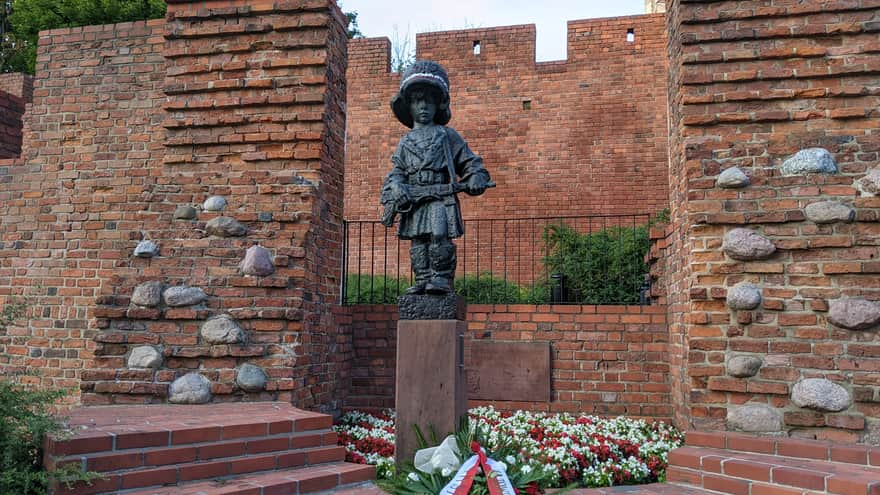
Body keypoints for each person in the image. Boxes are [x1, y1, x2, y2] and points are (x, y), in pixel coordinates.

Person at [381, 61, 491, 295]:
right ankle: (422, 278)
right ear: (409, 106)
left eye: (429, 101)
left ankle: (441, 278)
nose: (423, 106)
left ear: (438, 105)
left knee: (439, 236)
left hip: (441, 197)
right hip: (415, 199)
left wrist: (475, 177)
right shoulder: (405, 142)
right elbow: (396, 172)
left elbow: (470, 162)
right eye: (418, 100)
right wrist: (398, 186)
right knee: (418, 240)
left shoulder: (447, 136)